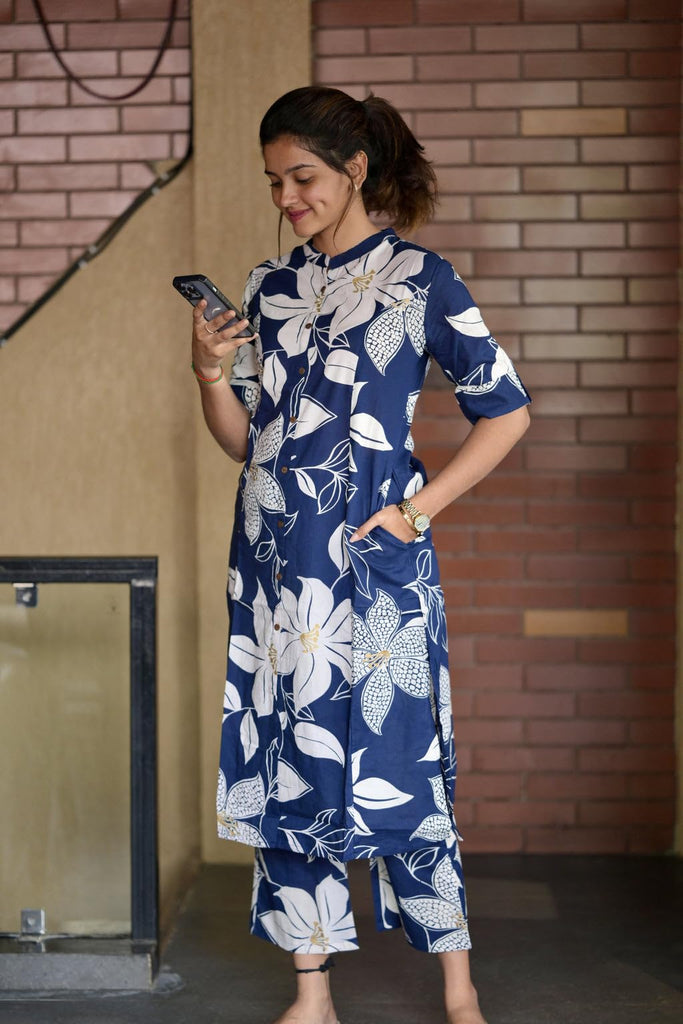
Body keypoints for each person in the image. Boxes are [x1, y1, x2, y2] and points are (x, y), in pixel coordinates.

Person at [190, 85, 530, 1024]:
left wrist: (417, 512)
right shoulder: (269, 286)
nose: (286, 198)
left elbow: (505, 411)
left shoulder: (421, 279)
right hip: (274, 568)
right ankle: (312, 995)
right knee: (289, 766)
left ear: (354, 169)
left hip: (374, 568)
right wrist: (210, 371)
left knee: (402, 761)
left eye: (302, 177)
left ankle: (458, 992)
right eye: (273, 182)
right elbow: (246, 439)